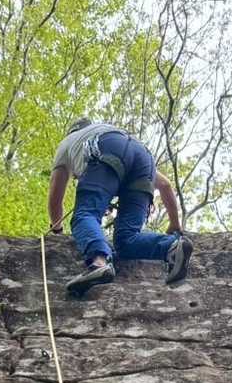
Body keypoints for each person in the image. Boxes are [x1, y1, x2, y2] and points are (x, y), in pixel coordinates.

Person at [48, 118, 193, 295]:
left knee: (85, 215)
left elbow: (55, 196)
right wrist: (175, 224)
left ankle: (99, 262)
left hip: (106, 150)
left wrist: (57, 230)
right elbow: (165, 185)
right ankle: (172, 246)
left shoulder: (68, 142)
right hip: (143, 158)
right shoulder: (112, 132)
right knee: (126, 240)